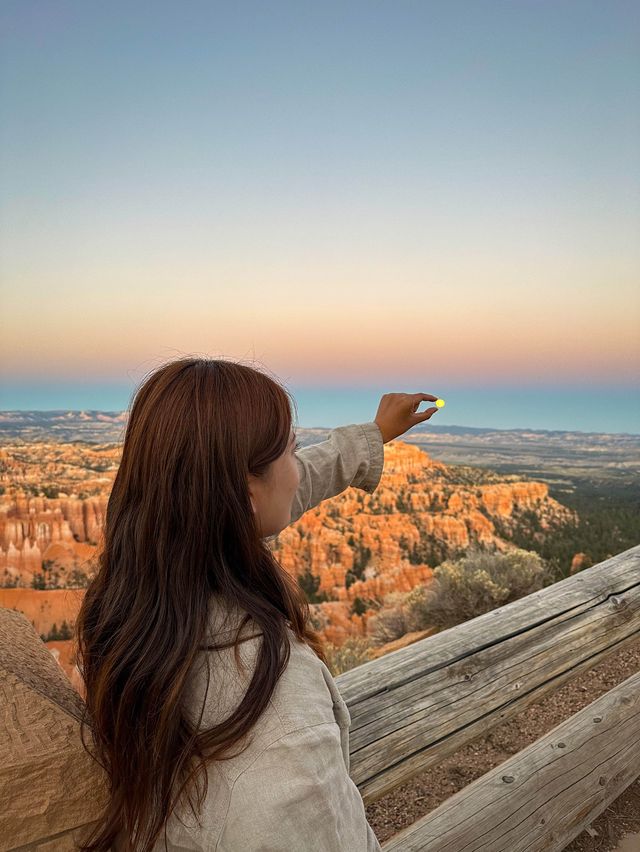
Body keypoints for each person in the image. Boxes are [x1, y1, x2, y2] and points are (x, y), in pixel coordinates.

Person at [74, 356, 439, 851]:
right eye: (289, 450)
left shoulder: (132, 608)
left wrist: (371, 436)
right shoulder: (273, 697)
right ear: (244, 493)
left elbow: (284, 484)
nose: (295, 468)